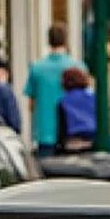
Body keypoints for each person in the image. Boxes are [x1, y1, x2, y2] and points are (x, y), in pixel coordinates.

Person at [24, 23, 83, 154]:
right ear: (66, 40)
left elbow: (31, 104)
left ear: (49, 41)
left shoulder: (37, 68)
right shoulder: (78, 67)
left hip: (45, 133)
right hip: (73, 133)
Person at [55, 67, 98, 153]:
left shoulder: (63, 101)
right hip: (93, 140)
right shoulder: (93, 97)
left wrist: (60, 145)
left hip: (73, 143)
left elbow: (62, 127)